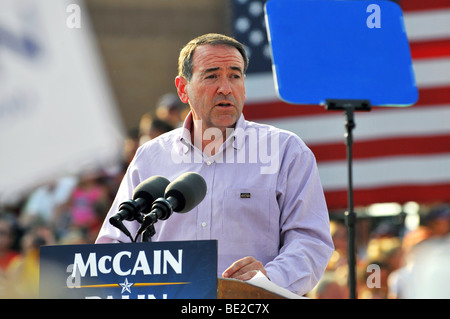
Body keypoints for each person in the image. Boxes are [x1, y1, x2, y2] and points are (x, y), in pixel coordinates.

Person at [96, 33, 334, 295]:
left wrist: (268, 278)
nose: (225, 88)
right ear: (182, 89)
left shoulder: (286, 152)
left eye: (235, 75)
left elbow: (311, 241)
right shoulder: (150, 157)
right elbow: (114, 241)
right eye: (211, 76)